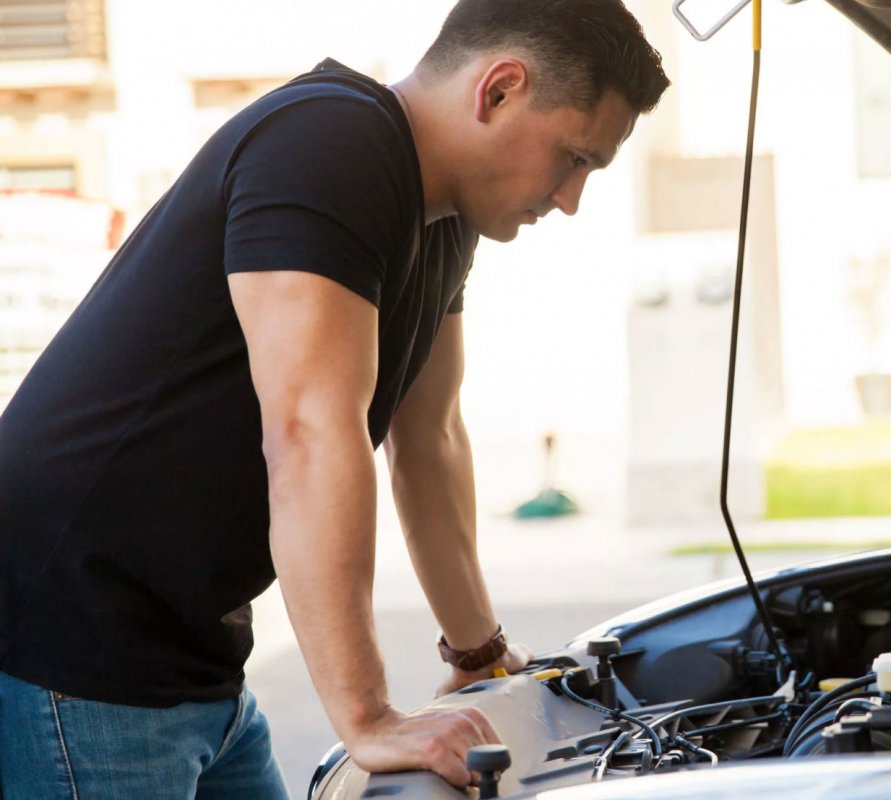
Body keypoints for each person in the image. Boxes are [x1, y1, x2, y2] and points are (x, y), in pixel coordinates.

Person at [0, 0, 669, 796]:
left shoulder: (444, 217)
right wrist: (370, 719)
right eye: (574, 158)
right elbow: (313, 429)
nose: (571, 199)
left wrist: (478, 653)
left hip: (193, 652)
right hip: (80, 649)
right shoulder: (331, 144)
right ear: (499, 90)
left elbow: (429, 440)